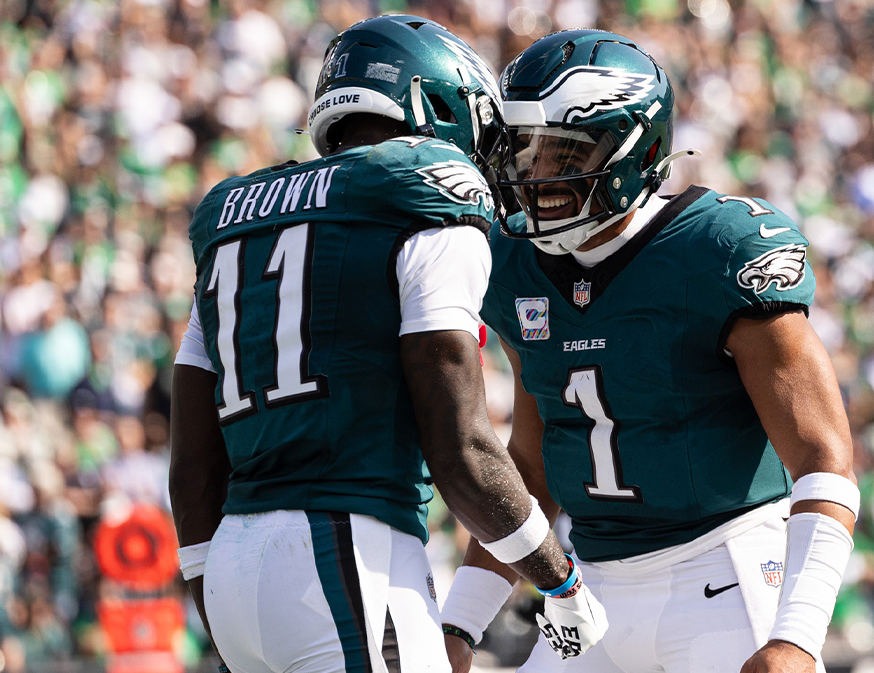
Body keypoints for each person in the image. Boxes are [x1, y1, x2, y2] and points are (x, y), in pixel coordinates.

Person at [167, 16, 606, 673]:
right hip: (348, 551)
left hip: (234, 565)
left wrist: (219, 593)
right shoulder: (426, 194)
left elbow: (194, 465)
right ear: (439, 106)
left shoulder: (231, 215)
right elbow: (461, 449)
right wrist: (559, 577)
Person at [441, 30, 857, 673]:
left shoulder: (717, 248)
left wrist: (798, 634)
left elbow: (823, 456)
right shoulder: (512, 265)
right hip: (587, 586)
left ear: (638, 150)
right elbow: (535, 464)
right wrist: (460, 624)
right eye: (522, 151)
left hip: (726, 568)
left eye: (560, 154)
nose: (532, 176)